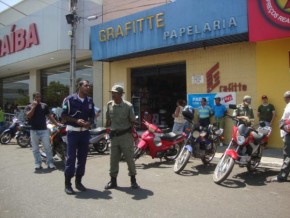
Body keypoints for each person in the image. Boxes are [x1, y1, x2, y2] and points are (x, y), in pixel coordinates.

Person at [61, 80, 95, 195]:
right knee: (71, 159)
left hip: (84, 133)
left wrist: (89, 123)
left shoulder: (89, 100)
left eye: (89, 86)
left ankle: (78, 182)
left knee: (82, 159)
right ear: (79, 87)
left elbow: (92, 116)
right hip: (73, 133)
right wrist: (76, 120)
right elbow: (63, 116)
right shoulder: (69, 100)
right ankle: (67, 184)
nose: (88, 87)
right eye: (86, 85)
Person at [104, 84, 139, 190]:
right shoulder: (109, 105)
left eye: (115, 93)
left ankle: (133, 180)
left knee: (129, 158)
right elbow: (108, 120)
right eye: (112, 93)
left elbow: (133, 120)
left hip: (125, 136)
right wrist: (106, 131)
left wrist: (132, 130)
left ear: (121, 94)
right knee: (113, 159)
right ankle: (113, 181)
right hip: (114, 137)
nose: (113, 95)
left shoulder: (128, 106)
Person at [25, 92, 60, 171]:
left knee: (47, 147)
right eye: (36, 97)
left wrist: (57, 124)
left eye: (39, 97)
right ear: (33, 98)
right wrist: (33, 107)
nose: (38, 99)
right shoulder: (29, 106)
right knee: (35, 148)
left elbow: (50, 116)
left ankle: (50, 163)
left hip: (44, 130)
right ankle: (37, 163)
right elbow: (29, 116)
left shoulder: (44, 106)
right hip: (33, 130)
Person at [271, 91, 290, 182]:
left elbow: (286, 121)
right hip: (287, 132)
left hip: (288, 134)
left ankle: (282, 176)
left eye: (284, 98)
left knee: (287, 155)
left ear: (287, 98)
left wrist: (283, 125)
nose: (284, 100)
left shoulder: (289, 106)